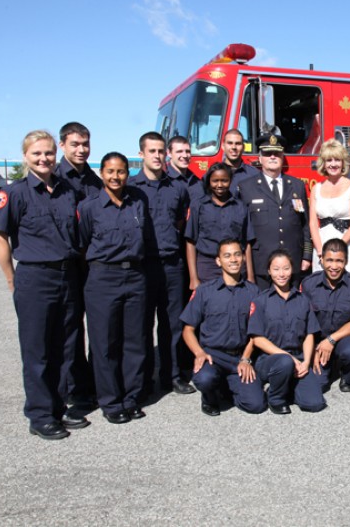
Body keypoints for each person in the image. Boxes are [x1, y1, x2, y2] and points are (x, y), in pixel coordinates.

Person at [0, 130, 86, 440]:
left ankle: (59, 408)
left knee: (66, 347)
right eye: (37, 154)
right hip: (35, 277)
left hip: (67, 275)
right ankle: (40, 414)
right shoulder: (15, 193)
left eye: (47, 153)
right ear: (26, 157)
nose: (44, 159)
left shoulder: (67, 190)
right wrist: (12, 279)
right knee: (38, 350)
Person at [78, 152, 150, 424]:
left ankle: (131, 397)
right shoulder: (89, 206)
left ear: (127, 173)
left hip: (135, 276)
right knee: (105, 343)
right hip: (102, 277)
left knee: (135, 341)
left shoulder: (137, 201)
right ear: (101, 173)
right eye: (110, 171)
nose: (115, 176)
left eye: (120, 171)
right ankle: (110, 401)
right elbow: (83, 243)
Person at [129, 132, 195, 395]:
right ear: (142, 154)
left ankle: (173, 375)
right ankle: (144, 380)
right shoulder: (132, 188)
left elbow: (180, 223)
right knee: (142, 326)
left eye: (160, 151)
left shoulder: (177, 188)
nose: (157, 156)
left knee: (173, 325)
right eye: (151, 151)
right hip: (143, 267)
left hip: (172, 265)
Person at [180, 239, 265, 415]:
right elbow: (188, 329)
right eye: (227, 256)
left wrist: (246, 358)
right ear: (218, 261)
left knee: (256, 405)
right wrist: (199, 353)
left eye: (237, 254)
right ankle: (209, 397)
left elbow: (256, 333)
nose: (233, 259)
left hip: (239, 357)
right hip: (213, 356)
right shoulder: (205, 291)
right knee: (205, 379)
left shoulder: (253, 292)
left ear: (243, 258)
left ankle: (226, 388)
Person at [55, 121, 101, 409]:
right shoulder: (55, 179)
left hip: (93, 265)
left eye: (85, 144)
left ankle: (95, 380)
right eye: (75, 144)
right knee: (70, 330)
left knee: (99, 327)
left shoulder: (94, 181)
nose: (81, 149)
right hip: (68, 264)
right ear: (62, 146)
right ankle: (74, 387)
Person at [249, 250, 325, 414]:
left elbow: (309, 334)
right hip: (270, 360)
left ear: (292, 270)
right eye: (276, 269)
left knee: (315, 404)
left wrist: (305, 362)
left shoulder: (303, 300)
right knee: (284, 362)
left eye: (286, 268)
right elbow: (257, 339)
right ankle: (275, 398)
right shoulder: (261, 301)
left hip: (298, 357)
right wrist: (288, 357)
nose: (281, 274)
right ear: (269, 271)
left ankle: (288, 387)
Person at [238, 134, 312, 289]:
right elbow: (242, 229)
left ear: (282, 155)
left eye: (277, 153)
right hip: (261, 264)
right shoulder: (246, 187)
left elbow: (305, 224)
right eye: (267, 153)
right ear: (260, 157)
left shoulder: (297, 186)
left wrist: (306, 255)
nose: (272, 157)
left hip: (293, 262)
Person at [300, 239, 350, 392]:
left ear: (346, 261)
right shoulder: (308, 284)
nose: (334, 266)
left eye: (339, 261)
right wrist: (311, 348)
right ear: (321, 260)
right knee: (318, 386)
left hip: (344, 339)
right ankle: (328, 366)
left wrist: (331, 339)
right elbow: (303, 320)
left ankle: (347, 374)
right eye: (329, 260)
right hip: (317, 341)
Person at [184, 163, 254, 287]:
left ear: (231, 181)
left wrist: (250, 276)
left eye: (224, 180)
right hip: (208, 267)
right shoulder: (199, 206)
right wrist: (193, 278)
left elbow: (247, 242)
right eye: (215, 181)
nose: (220, 185)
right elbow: (191, 241)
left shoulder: (241, 207)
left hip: (235, 265)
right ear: (209, 182)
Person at [309, 139, 350, 279]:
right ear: (323, 163)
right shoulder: (316, 188)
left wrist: (336, 250)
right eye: (329, 160)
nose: (333, 164)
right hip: (321, 246)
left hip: (348, 245)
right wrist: (321, 251)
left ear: (343, 163)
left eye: (337, 160)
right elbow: (313, 224)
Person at [221, 129, 260, 197]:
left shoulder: (255, 174)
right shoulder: (212, 174)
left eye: (238, 143)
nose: (233, 147)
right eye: (230, 143)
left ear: (243, 147)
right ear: (223, 146)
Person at [166, 135, 202, 202]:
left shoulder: (197, 182)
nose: (185, 155)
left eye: (187, 151)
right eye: (179, 151)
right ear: (169, 153)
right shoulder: (162, 181)